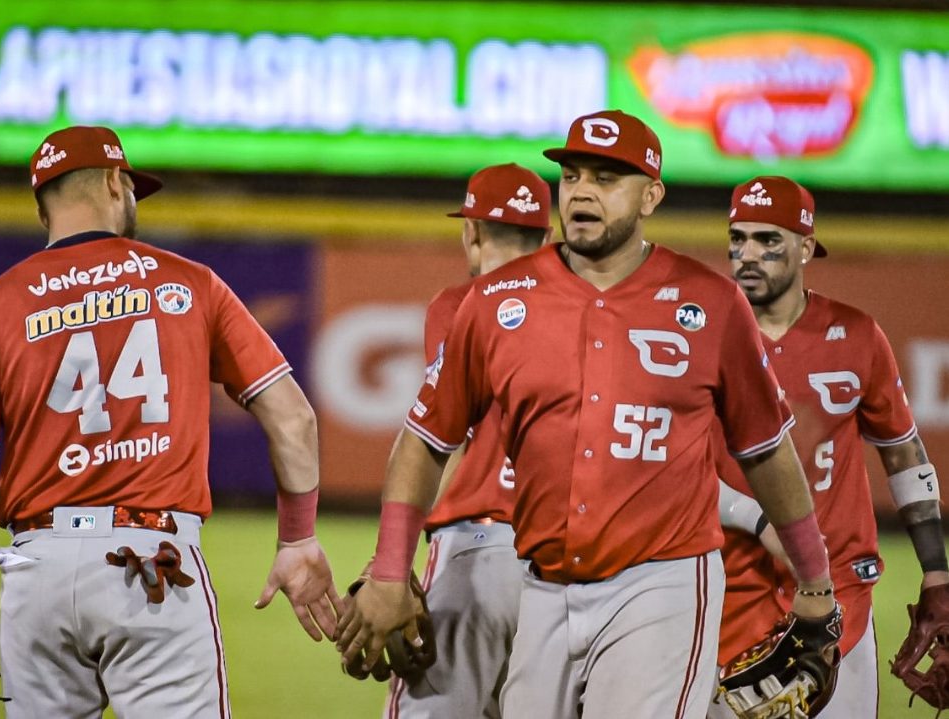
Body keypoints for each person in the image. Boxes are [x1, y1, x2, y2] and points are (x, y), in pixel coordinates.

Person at [335, 110, 840, 718]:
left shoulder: (711, 302)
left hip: (662, 581)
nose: (581, 191)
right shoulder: (496, 302)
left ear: (651, 195)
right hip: (542, 584)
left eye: (607, 178)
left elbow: (766, 449)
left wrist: (815, 585)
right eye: (572, 175)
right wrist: (390, 568)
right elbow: (424, 439)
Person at [0, 125, 342, 718]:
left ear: (42, 207)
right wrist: (297, 537)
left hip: (35, 567)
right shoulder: (191, 283)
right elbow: (293, 416)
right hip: (150, 567)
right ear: (118, 184)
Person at [708, 175, 949, 718]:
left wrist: (936, 572)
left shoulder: (857, 334)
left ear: (807, 247)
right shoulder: (704, 338)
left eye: (769, 240)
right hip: (730, 589)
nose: (749, 254)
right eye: (739, 238)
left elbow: (903, 455)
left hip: (843, 597)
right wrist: (759, 523)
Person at [384, 163, 552, 718]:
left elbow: (440, 434)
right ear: (548, 238)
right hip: (567, 569)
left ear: (471, 232)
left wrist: (390, 564)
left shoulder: (457, 307)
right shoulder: (587, 313)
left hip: (475, 554)